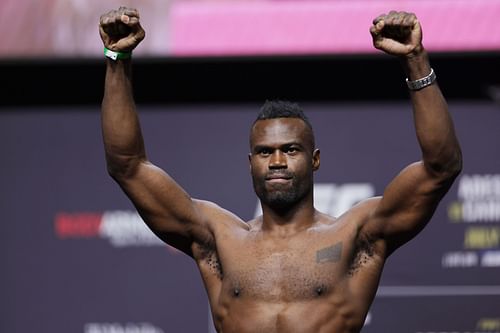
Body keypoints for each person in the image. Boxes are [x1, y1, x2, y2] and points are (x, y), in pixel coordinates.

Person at [99, 7, 462, 333]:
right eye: (264, 152)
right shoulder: (218, 240)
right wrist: (117, 57)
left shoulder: (356, 236)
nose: (276, 162)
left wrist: (415, 59)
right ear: (250, 162)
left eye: (290, 150)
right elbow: (127, 166)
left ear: (314, 159)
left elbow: (440, 168)